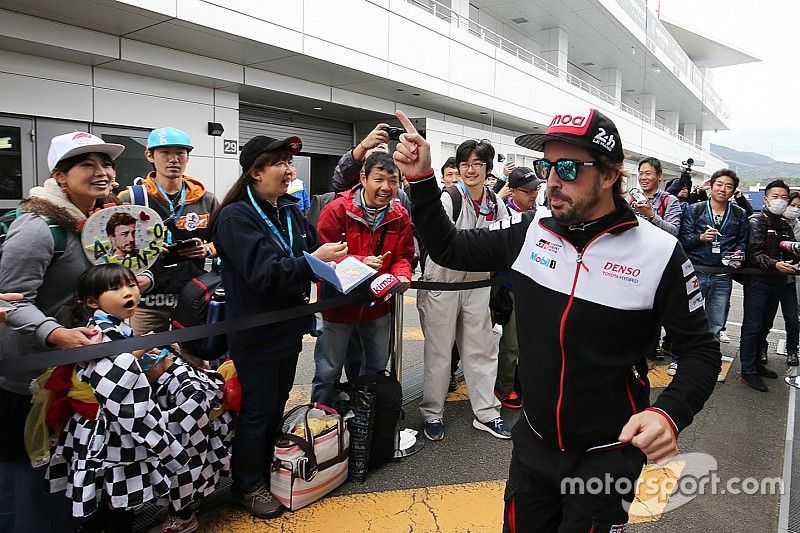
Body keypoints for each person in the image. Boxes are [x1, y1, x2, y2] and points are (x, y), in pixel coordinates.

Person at [393, 107, 719, 531]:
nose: (551, 181)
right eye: (546, 166)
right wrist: (421, 182)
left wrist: (668, 414)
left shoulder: (658, 252)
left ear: (608, 174)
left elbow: (700, 350)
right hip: (534, 443)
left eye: (567, 167)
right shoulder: (532, 232)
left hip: (607, 453)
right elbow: (449, 249)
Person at [211, 135, 346, 519]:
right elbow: (263, 274)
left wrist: (348, 262)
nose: (290, 171)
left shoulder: (287, 210)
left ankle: (267, 469)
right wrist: (312, 262)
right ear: (255, 171)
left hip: (287, 328)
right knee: (256, 410)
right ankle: (246, 484)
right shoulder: (236, 217)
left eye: (290, 163)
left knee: (274, 404)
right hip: (255, 332)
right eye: (280, 164)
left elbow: (314, 251)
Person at [0, 132, 125, 532]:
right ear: (60, 175)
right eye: (86, 164)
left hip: (74, 368)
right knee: (26, 470)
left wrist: (134, 283)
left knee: (64, 460)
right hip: (27, 374)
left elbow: (93, 288)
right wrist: (55, 334)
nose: (101, 172)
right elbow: (8, 302)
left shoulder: (102, 222)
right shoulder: (38, 228)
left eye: (105, 164)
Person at [46, 264, 189, 533]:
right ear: (91, 301)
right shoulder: (98, 332)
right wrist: (137, 353)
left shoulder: (115, 326)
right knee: (116, 493)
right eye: (115, 289)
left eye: (131, 285)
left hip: (110, 422)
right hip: (107, 427)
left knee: (111, 492)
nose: (128, 293)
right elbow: (106, 384)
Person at [416, 138, 512, 442]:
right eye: (464, 164)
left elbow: (501, 243)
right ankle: (432, 413)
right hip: (441, 282)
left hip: (478, 284)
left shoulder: (495, 203)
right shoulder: (450, 198)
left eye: (477, 164)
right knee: (439, 351)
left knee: (481, 348)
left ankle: (487, 413)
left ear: (488, 169)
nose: (470, 170)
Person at [312, 152, 415, 406]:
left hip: (379, 305)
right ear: (363, 178)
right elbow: (321, 257)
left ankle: (369, 421)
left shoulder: (399, 214)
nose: (386, 187)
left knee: (376, 368)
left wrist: (403, 272)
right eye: (379, 179)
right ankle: (320, 424)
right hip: (337, 306)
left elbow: (404, 254)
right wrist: (358, 261)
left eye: (393, 181)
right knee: (328, 370)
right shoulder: (337, 210)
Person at [118, 127, 218, 339]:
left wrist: (206, 250)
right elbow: (112, 250)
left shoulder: (206, 199)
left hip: (193, 295)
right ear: (149, 155)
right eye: (165, 152)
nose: (173, 159)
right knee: (143, 360)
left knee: (196, 360)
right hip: (147, 299)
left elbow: (224, 242)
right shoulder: (131, 199)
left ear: (187, 157)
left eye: (180, 153)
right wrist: (146, 251)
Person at [678, 169, 749, 379]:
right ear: (711, 186)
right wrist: (700, 238)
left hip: (722, 275)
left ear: (733, 190)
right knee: (689, 319)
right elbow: (683, 241)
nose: (722, 189)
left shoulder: (739, 214)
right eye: (719, 184)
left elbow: (742, 242)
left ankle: (709, 363)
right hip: (697, 272)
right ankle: (680, 360)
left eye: (728, 186)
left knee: (716, 323)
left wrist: (739, 252)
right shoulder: (695, 209)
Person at [740, 180, 797, 390]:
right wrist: (775, 264)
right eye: (775, 196)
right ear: (765, 199)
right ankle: (748, 371)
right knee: (752, 327)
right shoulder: (756, 222)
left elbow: (791, 250)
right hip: (758, 283)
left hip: (778, 282)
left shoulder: (784, 224)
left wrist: (793, 261)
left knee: (765, 326)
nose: (780, 201)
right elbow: (754, 254)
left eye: (784, 197)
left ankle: (756, 364)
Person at [627, 157, 681, 236]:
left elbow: (673, 231)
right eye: (641, 173)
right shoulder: (631, 199)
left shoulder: (670, 200)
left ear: (659, 176)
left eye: (648, 174)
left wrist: (651, 215)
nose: (643, 178)